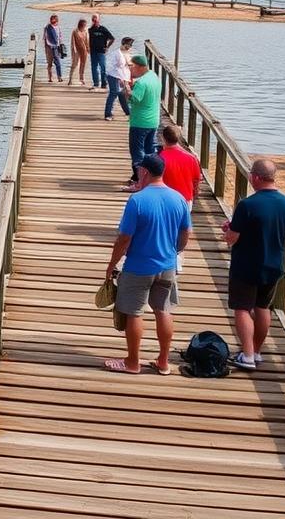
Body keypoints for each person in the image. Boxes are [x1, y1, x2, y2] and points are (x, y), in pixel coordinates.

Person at [104, 155, 192, 375]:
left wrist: (111, 265)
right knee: (163, 310)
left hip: (139, 266)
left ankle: (132, 362)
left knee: (134, 312)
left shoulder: (137, 200)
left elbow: (124, 239)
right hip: (167, 266)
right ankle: (163, 361)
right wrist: (176, 251)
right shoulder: (178, 198)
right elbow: (186, 233)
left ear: (144, 172)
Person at [222, 159, 285, 370]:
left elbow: (232, 238)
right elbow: (281, 227)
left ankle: (246, 356)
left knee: (242, 308)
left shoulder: (247, 204)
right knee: (263, 307)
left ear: (255, 177)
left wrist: (228, 230)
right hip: (273, 264)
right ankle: (256, 351)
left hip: (246, 264)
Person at [157, 124, 201, 273]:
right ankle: (178, 259)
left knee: (165, 228)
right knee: (182, 230)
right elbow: (196, 180)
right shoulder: (191, 157)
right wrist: (195, 194)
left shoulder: (160, 158)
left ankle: (165, 258)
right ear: (179, 138)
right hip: (185, 199)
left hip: (165, 199)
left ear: (163, 138)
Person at [126, 55, 161, 190]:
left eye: (131, 66)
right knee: (149, 150)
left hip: (140, 122)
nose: (130, 69)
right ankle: (150, 179)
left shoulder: (141, 83)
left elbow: (135, 99)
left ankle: (139, 182)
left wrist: (128, 91)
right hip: (153, 121)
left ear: (140, 67)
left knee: (137, 153)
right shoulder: (154, 77)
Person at [103, 37, 133, 120]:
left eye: (130, 45)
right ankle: (108, 114)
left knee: (122, 94)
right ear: (123, 44)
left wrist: (125, 80)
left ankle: (128, 112)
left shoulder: (127, 53)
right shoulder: (116, 53)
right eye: (127, 45)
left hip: (123, 76)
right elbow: (112, 66)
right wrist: (120, 79)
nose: (129, 47)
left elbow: (128, 64)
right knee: (114, 93)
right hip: (114, 76)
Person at [87, 14, 115, 91]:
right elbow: (86, 39)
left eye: (96, 19)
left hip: (101, 51)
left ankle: (104, 83)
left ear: (99, 20)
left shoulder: (103, 29)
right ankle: (96, 83)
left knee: (103, 67)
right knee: (94, 67)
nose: (94, 21)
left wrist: (107, 47)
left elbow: (112, 39)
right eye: (93, 19)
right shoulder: (90, 30)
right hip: (93, 51)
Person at [67, 18, 90, 86]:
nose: (85, 26)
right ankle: (70, 79)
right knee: (74, 64)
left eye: (85, 25)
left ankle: (81, 79)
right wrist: (74, 49)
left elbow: (87, 41)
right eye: (84, 25)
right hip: (76, 50)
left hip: (84, 50)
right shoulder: (75, 31)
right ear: (81, 24)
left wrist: (88, 49)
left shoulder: (85, 32)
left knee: (83, 64)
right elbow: (73, 41)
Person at [43, 14, 62, 82]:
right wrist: (46, 47)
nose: (53, 20)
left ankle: (59, 77)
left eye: (54, 19)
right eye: (52, 18)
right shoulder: (47, 27)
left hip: (56, 47)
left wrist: (60, 46)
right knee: (50, 63)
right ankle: (50, 78)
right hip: (49, 48)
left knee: (58, 63)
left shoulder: (58, 27)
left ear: (56, 20)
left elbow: (60, 37)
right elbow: (45, 38)